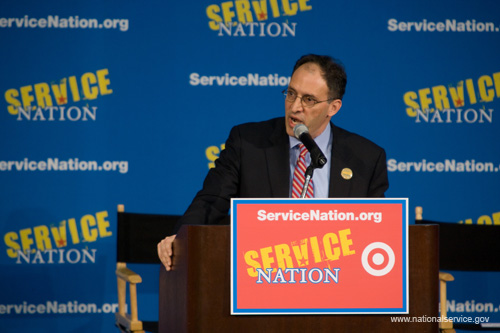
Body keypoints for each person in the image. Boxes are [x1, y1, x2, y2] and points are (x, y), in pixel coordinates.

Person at [157, 54, 389, 271]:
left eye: (308, 99)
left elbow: (376, 234)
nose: (295, 106)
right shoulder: (247, 142)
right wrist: (181, 239)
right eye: (291, 93)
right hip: (262, 275)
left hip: (335, 280)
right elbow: (211, 201)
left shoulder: (366, 158)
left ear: (333, 107)